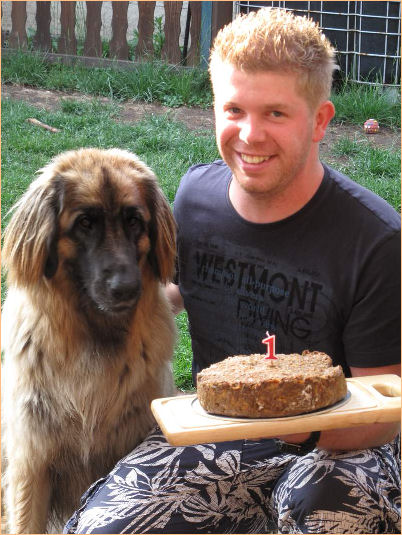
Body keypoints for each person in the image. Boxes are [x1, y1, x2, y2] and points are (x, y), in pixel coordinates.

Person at [65, 8, 400, 534]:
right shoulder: (193, 199)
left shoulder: (376, 239)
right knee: (103, 528)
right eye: (234, 109)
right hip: (218, 430)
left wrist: (299, 428)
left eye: (276, 113)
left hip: (339, 446)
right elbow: (172, 290)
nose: (250, 134)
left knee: (324, 512)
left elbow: (383, 415)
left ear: (319, 120)